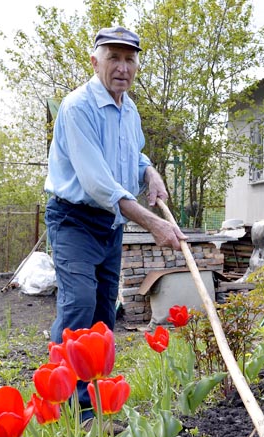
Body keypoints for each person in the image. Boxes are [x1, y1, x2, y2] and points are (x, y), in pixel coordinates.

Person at [44, 25, 186, 414]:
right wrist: (153, 223)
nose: (122, 67)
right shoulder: (78, 108)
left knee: (106, 312)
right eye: (113, 57)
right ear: (95, 61)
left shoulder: (130, 109)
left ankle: (95, 401)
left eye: (129, 58)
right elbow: (98, 184)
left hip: (109, 225)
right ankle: (70, 407)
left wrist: (151, 172)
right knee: (79, 306)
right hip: (74, 219)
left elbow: (134, 157)